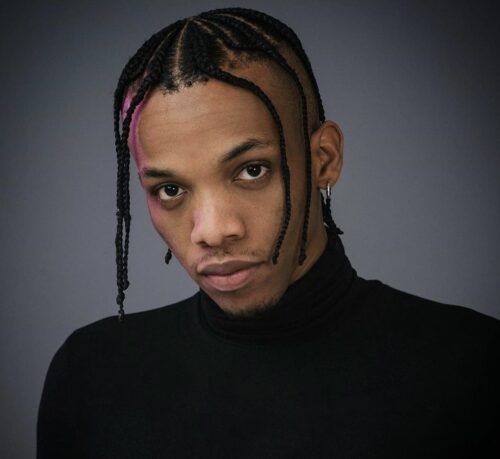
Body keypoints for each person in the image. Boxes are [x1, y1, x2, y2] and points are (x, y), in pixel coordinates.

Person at [37, 7, 499, 458]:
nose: (213, 231)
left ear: (323, 159)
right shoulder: (91, 374)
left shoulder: (472, 367)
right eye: (170, 189)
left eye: (252, 170)